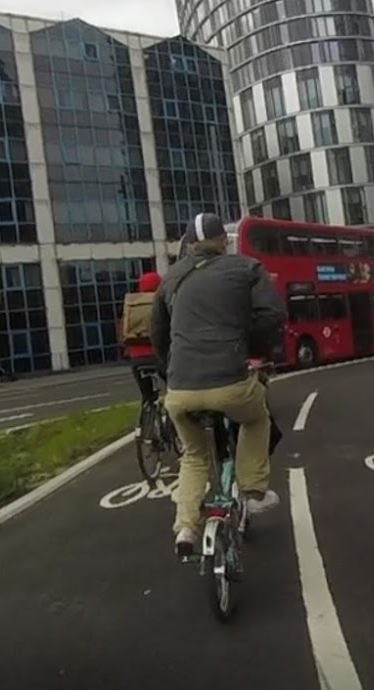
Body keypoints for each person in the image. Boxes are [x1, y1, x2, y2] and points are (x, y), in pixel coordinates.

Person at [151, 212, 286, 557]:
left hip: (180, 391)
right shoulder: (246, 268)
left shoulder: (170, 279)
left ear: (189, 245)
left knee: (194, 455)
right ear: (222, 241)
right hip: (230, 380)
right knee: (257, 418)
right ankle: (253, 494)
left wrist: (173, 374)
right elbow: (272, 316)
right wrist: (249, 347)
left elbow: (158, 335)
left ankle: (185, 528)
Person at [122, 270, 165, 407]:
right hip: (160, 357)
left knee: (147, 396)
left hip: (137, 360)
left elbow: (124, 331)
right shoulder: (163, 300)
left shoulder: (131, 305)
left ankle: (144, 421)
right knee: (175, 390)